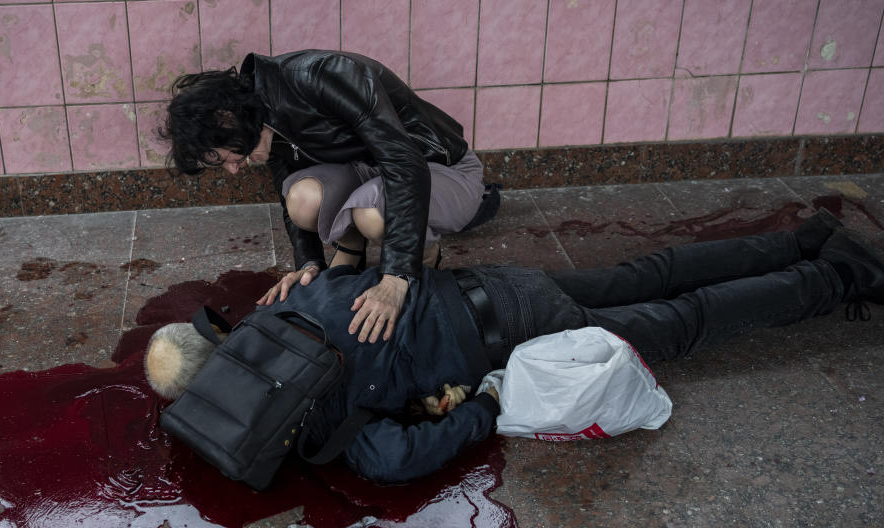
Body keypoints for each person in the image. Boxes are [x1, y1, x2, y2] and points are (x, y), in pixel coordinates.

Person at [145, 210, 884, 485]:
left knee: (680, 322)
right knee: (647, 273)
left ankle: (839, 275)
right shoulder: (284, 302)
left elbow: (395, 459)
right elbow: (349, 275)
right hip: (498, 286)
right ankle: (805, 240)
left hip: (519, 332)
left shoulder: (302, 406)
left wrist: (488, 403)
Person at [160, 49, 489, 344]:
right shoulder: (262, 120)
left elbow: (404, 162)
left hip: (439, 169)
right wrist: (309, 263)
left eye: (223, 157)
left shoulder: (326, 76)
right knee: (302, 199)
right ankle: (352, 248)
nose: (233, 170)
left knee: (371, 212)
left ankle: (422, 258)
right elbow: (288, 193)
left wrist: (396, 275)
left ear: (226, 118)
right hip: (373, 171)